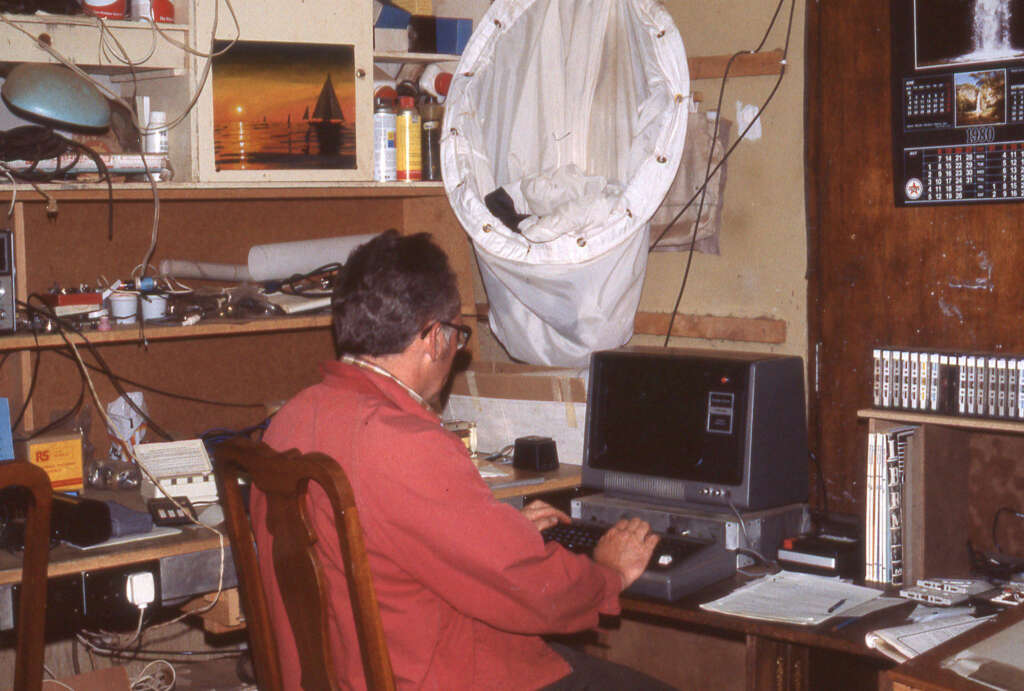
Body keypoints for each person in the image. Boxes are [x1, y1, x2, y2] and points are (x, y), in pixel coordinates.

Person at [251, 229, 672, 690]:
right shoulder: (404, 441)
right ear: (434, 337)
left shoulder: (287, 423)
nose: (456, 349)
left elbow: (394, 546)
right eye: (456, 334)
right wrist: (607, 573)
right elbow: (528, 589)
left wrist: (501, 533)